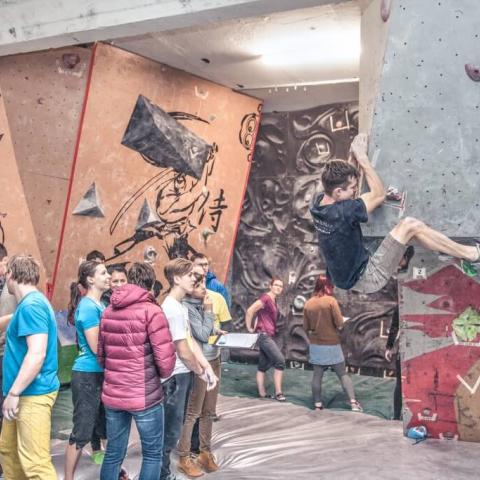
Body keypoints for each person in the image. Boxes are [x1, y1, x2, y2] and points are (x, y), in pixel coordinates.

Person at [310, 133, 480, 294]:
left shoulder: (318, 205)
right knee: (409, 225)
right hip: (369, 276)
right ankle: (472, 255)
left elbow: (344, 193)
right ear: (338, 192)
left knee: (412, 232)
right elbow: (378, 194)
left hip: (346, 277)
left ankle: (453, 252)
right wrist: (363, 159)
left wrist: (352, 159)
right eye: (353, 189)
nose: (355, 192)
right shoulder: (342, 212)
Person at [98, 262, 176, 480]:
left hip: (113, 393)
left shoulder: (108, 311)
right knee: (152, 454)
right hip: (144, 395)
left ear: (130, 280)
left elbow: (101, 356)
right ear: (151, 284)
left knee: (113, 453)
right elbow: (166, 363)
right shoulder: (152, 311)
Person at [0, 254, 60, 479]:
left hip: (31, 394)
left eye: (6, 274)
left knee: (36, 466)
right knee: (9, 451)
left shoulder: (31, 306)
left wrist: (14, 392)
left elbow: (36, 354)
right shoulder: (30, 304)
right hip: (22, 393)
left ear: (12, 275)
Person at [160, 258, 218, 480]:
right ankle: (162, 474)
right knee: (170, 433)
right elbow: (183, 350)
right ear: (176, 279)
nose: (194, 278)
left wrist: (206, 368)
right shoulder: (171, 309)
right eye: (189, 275)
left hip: (183, 374)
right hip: (174, 378)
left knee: (174, 428)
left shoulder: (179, 306)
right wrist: (201, 371)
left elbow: (191, 340)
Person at [64, 260, 111, 480]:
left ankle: (112, 470)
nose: (108, 275)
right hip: (87, 375)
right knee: (82, 430)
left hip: (99, 374)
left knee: (106, 425)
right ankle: (68, 477)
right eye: (103, 272)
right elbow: (96, 347)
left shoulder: (99, 304)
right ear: (90, 279)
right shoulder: (89, 307)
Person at [177, 267, 224, 477]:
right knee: (193, 412)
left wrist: (217, 329)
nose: (204, 288)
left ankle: (205, 452)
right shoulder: (186, 307)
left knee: (209, 411)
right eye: (198, 285)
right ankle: (184, 456)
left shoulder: (201, 304)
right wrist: (208, 311)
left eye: (204, 283)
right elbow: (203, 335)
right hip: (199, 363)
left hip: (214, 358)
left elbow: (209, 329)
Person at [303, 275, 362, 412]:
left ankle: (317, 405)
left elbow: (306, 327)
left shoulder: (308, 304)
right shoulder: (331, 301)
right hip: (332, 344)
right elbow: (340, 323)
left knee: (317, 375)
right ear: (327, 286)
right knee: (342, 374)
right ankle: (353, 403)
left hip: (316, 345)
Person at [384, 245, 414, 420]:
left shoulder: (406, 280)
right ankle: (398, 416)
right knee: (402, 384)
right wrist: (389, 345)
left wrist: (389, 346)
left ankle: (398, 416)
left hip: (409, 344)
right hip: (407, 345)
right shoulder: (405, 281)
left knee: (402, 384)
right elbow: (396, 320)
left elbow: (396, 320)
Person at [245, 278, 286, 401]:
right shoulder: (266, 298)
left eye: (281, 286)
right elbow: (250, 310)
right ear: (270, 286)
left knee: (262, 366)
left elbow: (260, 314)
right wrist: (249, 327)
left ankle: (262, 394)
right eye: (276, 285)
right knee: (280, 361)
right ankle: (278, 393)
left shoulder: (273, 300)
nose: (278, 287)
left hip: (266, 334)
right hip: (264, 335)